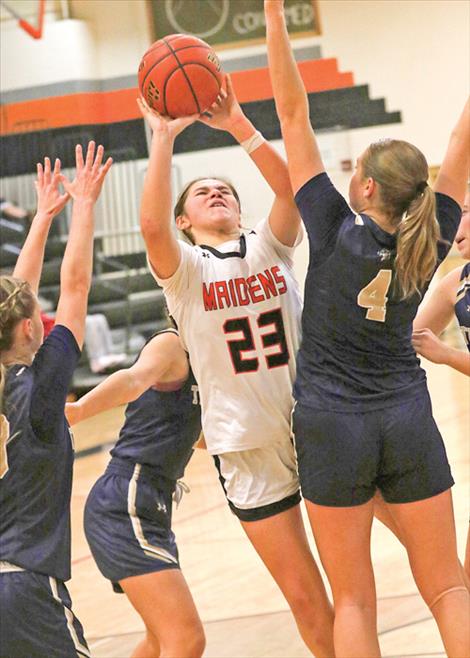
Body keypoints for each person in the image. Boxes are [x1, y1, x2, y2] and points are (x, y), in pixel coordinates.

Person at [264, 1, 470, 656]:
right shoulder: (433, 234)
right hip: (404, 415)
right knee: (447, 587)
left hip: (329, 422)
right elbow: (463, 143)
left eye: (355, 170)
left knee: (353, 598)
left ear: (366, 191)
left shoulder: (327, 224)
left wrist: (275, 17)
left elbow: (293, 114)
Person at [138, 75, 334, 656]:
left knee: (353, 580)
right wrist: (163, 139)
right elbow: (150, 226)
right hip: (245, 445)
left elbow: (297, 189)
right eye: (201, 193)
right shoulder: (186, 272)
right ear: (184, 221)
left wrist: (239, 126)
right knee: (304, 595)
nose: (217, 193)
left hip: (319, 424)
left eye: (224, 188)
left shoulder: (269, 245)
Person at [0, 142, 112, 658]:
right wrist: (82, 207)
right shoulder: (41, 392)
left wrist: (42, 219)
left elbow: (19, 292)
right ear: (29, 328)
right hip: (24, 588)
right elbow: (76, 286)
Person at [65, 328, 205, 658]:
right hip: (126, 500)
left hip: (151, 505)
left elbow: (198, 435)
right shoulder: (172, 343)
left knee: (160, 640)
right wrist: (80, 410)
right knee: (186, 639)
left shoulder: (206, 357)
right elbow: (132, 380)